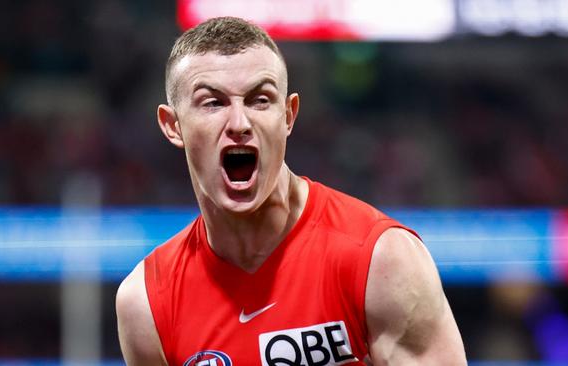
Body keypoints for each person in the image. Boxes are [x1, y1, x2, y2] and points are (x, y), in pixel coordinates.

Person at [116, 16, 466, 366]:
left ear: (288, 115)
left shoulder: (383, 261)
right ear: (173, 126)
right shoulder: (146, 302)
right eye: (213, 103)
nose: (239, 123)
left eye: (260, 100)